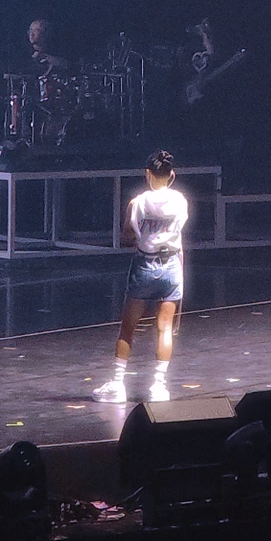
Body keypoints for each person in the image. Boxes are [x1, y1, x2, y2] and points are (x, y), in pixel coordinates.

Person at [92, 150, 188, 403]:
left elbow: (127, 236)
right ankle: (158, 387)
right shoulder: (180, 201)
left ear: (148, 174)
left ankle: (117, 384)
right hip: (171, 266)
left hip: (145, 265)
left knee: (128, 328)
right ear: (171, 174)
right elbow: (179, 228)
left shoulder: (137, 203)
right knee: (165, 328)